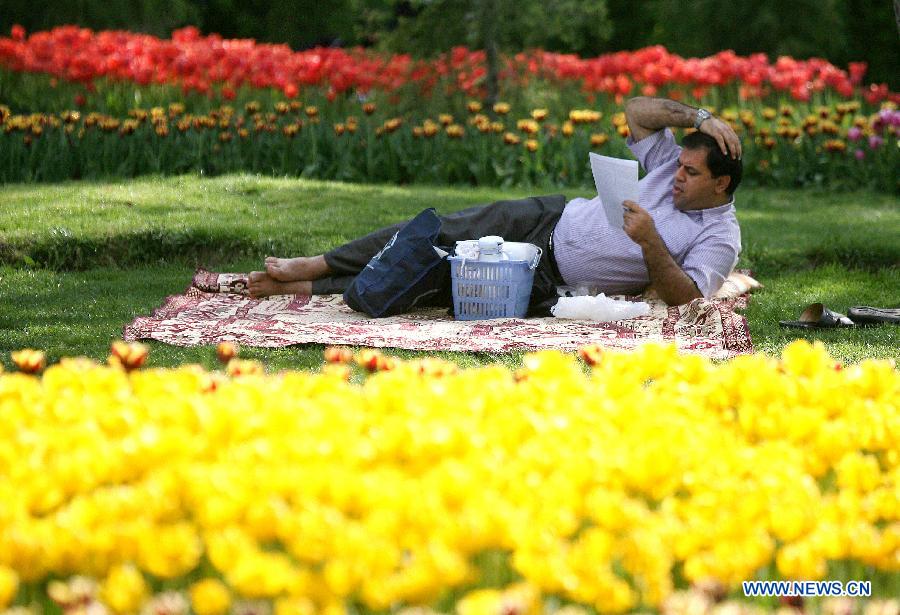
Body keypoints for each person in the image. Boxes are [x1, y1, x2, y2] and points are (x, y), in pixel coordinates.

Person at [248, 96, 743, 311]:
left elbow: (691, 300)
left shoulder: (719, 237)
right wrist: (700, 115)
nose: (676, 176)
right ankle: (319, 262)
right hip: (550, 216)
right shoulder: (669, 164)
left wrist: (652, 243)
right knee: (438, 231)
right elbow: (637, 110)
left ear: (721, 185)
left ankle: (315, 285)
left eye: (691, 173)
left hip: (555, 275)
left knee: (441, 280)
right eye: (679, 164)